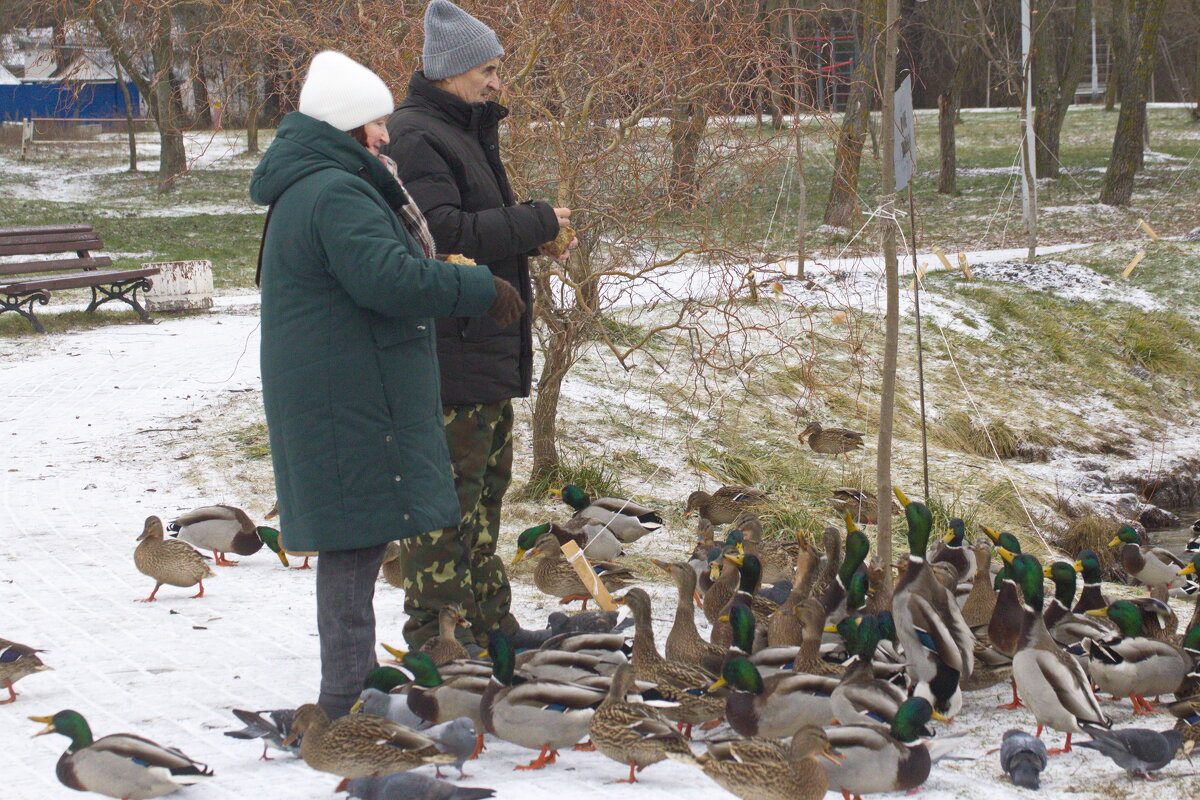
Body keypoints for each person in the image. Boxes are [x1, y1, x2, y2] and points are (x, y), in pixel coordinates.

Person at [249, 50, 523, 720]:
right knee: (353, 542)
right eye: (375, 123)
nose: (385, 134)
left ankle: (355, 681)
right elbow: (389, 280)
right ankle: (344, 698)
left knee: (357, 536)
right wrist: (477, 285)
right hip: (347, 393)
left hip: (342, 386)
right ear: (349, 125)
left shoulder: (318, 182)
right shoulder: (336, 191)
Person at [384, 0, 576, 651]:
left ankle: (489, 625)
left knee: (484, 504)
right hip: (450, 355)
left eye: (499, 69)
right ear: (452, 69)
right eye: (488, 69)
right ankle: (434, 638)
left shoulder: (465, 133)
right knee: (447, 510)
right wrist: (536, 222)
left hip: (483, 349)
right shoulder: (417, 135)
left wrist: (532, 234)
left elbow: (479, 228)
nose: (497, 82)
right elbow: (445, 233)